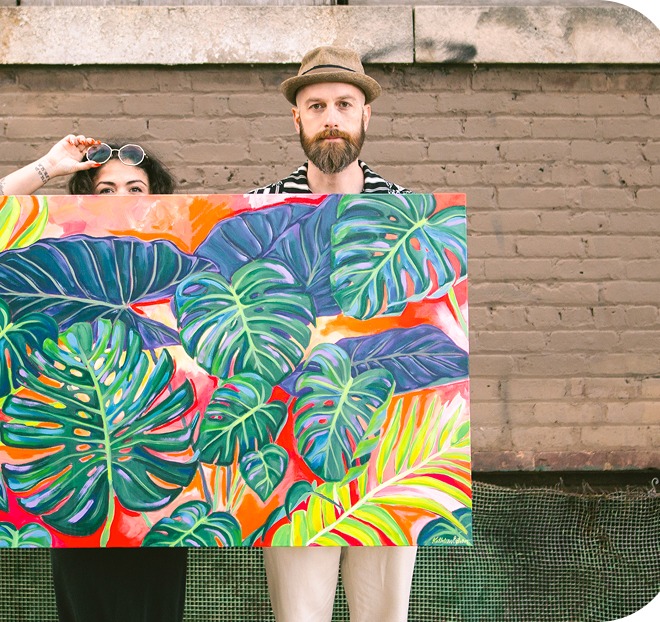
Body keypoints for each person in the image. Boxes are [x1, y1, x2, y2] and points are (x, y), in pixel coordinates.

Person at [0, 136, 185, 622]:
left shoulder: (173, 263)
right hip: (75, 458)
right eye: (105, 189)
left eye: (134, 187)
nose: (120, 198)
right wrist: (48, 167)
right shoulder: (59, 257)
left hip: (150, 463)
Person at [248, 46, 418, 622]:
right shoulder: (260, 212)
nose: (331, 117)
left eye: (344, 104)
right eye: (315, 105)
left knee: (383, 614)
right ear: (296, 118)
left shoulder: (408, 215)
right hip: (294, 441)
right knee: (299, 614)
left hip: (389, 441)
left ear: (366, 115)